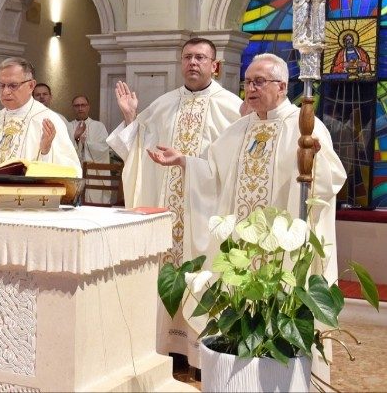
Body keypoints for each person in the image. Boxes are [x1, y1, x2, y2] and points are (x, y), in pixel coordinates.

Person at [147, 53, 346, 379]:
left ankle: (281, 374)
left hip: (283, 249)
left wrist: (315, 161)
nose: (250, 88)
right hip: (241, 251)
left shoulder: (305, 126)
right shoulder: (239, 129)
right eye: (247, 82)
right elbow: (212, 172)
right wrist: (183, 160)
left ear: (281, 86)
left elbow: (330, 182)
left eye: (259, 82)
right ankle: (238, 375)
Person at [106, 37, 242, 367]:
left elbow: (236, 170)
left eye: (200, 57)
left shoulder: (232, 108)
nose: (193, 63)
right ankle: (167, 347)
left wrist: (188, 163)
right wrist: (130, 120)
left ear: (215, 65)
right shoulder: (164, 105)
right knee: (164, 273)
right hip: (167, 213)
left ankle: (203, 354)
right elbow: (136, 151)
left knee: (204, 275)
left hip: (204, 215)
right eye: (187, 57)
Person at [66, 95, 111, 203]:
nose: (80, 108)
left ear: (88, 107)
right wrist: (76, 138)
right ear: (73, 108)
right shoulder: (68, 126)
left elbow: (104, 148)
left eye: (83, 105)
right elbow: (64, 149)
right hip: (75, 172)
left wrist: (86, 143)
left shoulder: (99, 126)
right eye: (77, 106)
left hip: (94, 173)